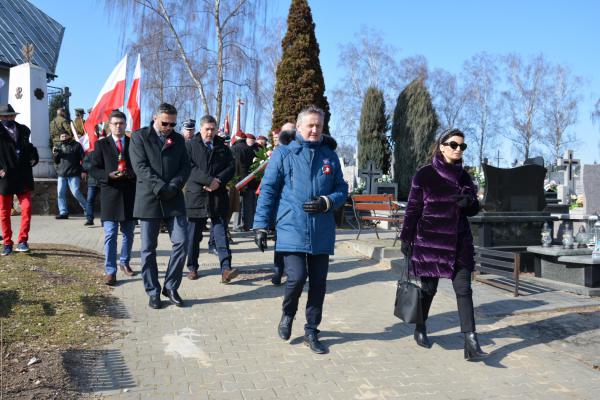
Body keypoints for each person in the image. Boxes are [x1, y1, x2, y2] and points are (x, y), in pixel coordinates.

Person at [253, 106, 348, 354]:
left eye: (319, 125)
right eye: (310, 125)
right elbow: (269, 190)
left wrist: (328, 201)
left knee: (319, 283)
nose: (315, 129)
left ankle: (311, 331)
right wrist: (261, 225)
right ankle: (287, 314)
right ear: (299, 127)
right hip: (291, 225)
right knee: (296, 277)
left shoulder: (329, 156)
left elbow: (342, 188)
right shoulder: (284, 153)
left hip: (321, 229)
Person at [399, 128, 487, 361]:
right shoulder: (425, 175)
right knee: (429, 290)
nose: (458, 149)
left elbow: (474, 209)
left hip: (459, 243)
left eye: (462, 146)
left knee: (464, 290)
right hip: (431, 243)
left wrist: (469, 203)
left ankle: (470, 340)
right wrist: (406, 238)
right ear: (441, 146)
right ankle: (420, 326)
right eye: (454, 144)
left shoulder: (464, 177)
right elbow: (413, 209)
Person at [129, 103, 190, 309]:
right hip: (149, 199)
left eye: (172, 124)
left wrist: (173, 185)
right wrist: (161, 187)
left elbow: (185, 166)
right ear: (155, 117)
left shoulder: (179, 139)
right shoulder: (139, 137)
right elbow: (140, 167)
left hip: (173, 198)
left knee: (182, 242)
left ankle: (171, 286)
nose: (168, 127)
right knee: (147, 249)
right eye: (165, 123)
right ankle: (153, 291)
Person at [184, 115, 237, 283]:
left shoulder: (222, 145)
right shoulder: (191, 145)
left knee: (221, 233)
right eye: (207, 129)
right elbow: (188, 167)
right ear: (201, 128)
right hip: (197, 196)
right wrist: (208, 181)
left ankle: (226, 268)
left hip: (217, 195)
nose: (210, 132)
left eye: (213, 129)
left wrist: (218, 181)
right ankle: (192, 267)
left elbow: (231, 167)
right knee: (193, 236)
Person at [90, 110, 137, 286]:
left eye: (121, 123)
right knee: (110, 234)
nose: (118, 126)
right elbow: (94, 169)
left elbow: (140, 166)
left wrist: (130, 173)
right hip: (110, 194)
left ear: (126, 125)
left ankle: (124, 262)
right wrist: (108, 175)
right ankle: (110, 270)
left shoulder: (133, 144)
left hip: (129, 195)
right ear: (109, 125)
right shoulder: (102, 145)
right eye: (115, 123)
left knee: (128, 234)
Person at [0, 104, 39, 255]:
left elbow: (29, 148)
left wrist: (33, 158)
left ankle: (22, 240)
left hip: (23, 176)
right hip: (6, 177)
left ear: (14, 116)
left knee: (27, 208)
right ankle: (7, 243)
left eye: (10, 115)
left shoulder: (23, 130)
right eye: (5, 116)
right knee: (4, 212)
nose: (8, 118)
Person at [53, 131, 89, 219]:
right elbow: (56, 161)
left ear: (69, 136)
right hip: (62, 174)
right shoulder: (58, 146)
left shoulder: (77, 145)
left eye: (65, 135)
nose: (64, 137)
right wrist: (55, 154)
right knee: (60, 193)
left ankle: (88, 209)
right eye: (62, 136)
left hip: (74, 173)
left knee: (76, 192)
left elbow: (84, 158)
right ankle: (63, 212)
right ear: (60, 138)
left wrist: (84, 171)